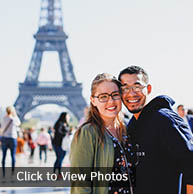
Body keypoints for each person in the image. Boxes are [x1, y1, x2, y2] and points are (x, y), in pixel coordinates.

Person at [118, 65, 193, 194]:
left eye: (137, 87)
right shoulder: (132, 125)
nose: (131, 93)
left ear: (149, 89)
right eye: (125, 88)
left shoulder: (164, 119)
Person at [70, 73, 136, 194]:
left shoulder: (128, 129)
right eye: (103, 97)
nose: (110, 101)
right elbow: (80, 184)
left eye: (115, 95)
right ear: (93, 100)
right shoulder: (87, 133)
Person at [0, 106, 21, 178]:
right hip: (12, 138)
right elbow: (19, 123)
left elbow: (2, 127)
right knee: (13, 156)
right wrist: (14, 115)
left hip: (4, 138)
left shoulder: (3, 118)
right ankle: (12, 173)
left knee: (4, 156)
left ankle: (3, 173)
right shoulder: (14, 118)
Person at [52, 112, 70, 178]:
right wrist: (65, 134)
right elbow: (59, 132)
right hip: (58, 143)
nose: (69, 117)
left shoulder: (66, 124)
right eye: (68, 116)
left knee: (61, 158)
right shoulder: (59, 123)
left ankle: (58, 172)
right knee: (59, 158)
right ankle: (55, 173)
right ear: (64, 116)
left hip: (63, 144)